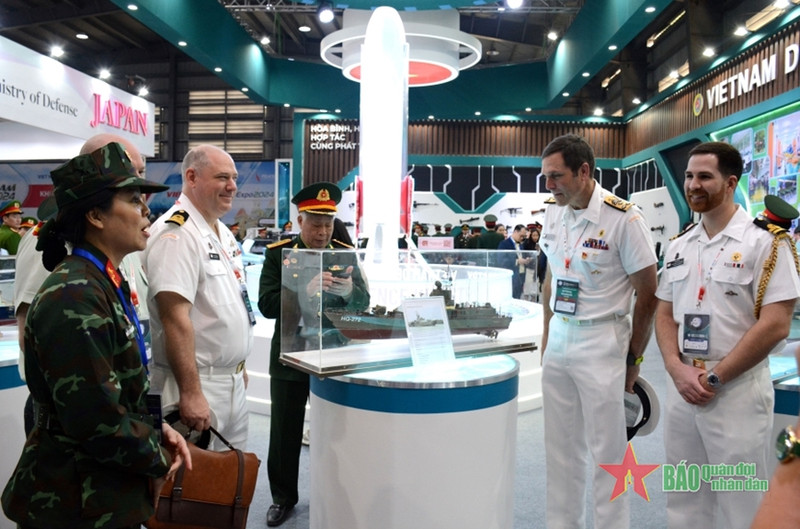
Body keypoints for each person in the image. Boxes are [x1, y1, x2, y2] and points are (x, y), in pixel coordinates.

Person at [1, 142, 191, 529]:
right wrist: (155, 453)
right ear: (95, 215)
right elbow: (96, 420)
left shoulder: (103, 280)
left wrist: (157, 429)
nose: (146, 211)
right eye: (134, 200)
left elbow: (116, 390)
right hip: (75, 500)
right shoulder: (75, 296)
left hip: (102, 490)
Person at [655, 143, 800, 529]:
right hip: (684, 387)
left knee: (741, 501)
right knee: (684, 497)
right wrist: (674, 367)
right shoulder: (680, 244)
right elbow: (665, 313)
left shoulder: (767, 243)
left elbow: (776, 323)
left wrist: (716, 378)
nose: (692, 185)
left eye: (704, 176)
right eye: (688, 176)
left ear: (731, 182)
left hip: (734, 389)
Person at [539, 134, 658, 529]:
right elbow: (550, 281)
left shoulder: (624, 218)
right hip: (560, 338)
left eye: (556, 176)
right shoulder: (554, 213)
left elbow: (649, 292)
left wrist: (634, 357)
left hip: (602, 340)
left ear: (584, 171)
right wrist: (546, 337)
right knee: (560, 449)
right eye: (546, 177)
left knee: (609, 452)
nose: (549, 185)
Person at [14, 133, 154, 438]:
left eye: (141, 173)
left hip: (118, 410)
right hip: (79, 423)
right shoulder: (55, 245)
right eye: (131, 178)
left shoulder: (118, 245)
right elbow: (33, 330)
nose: (143, 195)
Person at [258, 182, 370, 527]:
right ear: (300, 220)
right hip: (291, 354)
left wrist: (351, 290)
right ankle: (282, 498)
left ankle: (336, 493)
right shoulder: (278, 254)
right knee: (284, 432)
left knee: (336, 430)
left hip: (333, 355)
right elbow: (265, 305)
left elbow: (364, 303)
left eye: (328, 225)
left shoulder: (343, 252)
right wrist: (298, 291)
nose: (322, 233)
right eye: (315, 224)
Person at [144, 144, 254, 450]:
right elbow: (174, 319)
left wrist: (237, 370)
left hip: (229, 382)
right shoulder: (176, 234)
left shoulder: (222, 232)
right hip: (196, 385)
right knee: (193, 490)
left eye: (233, 177)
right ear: (192, 177)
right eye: (222, 177)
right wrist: (191, 392)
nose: (232, 186)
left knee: (231, 481)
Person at [497, 223, 530, 299]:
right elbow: (501, 261)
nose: (522, 238)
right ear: (515, 232)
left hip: (521, 277)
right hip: (511, 278)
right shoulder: (504, 244)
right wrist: (517, 261)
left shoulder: (521, 245)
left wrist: (526, 260)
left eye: (524, 237)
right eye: (521, 236)